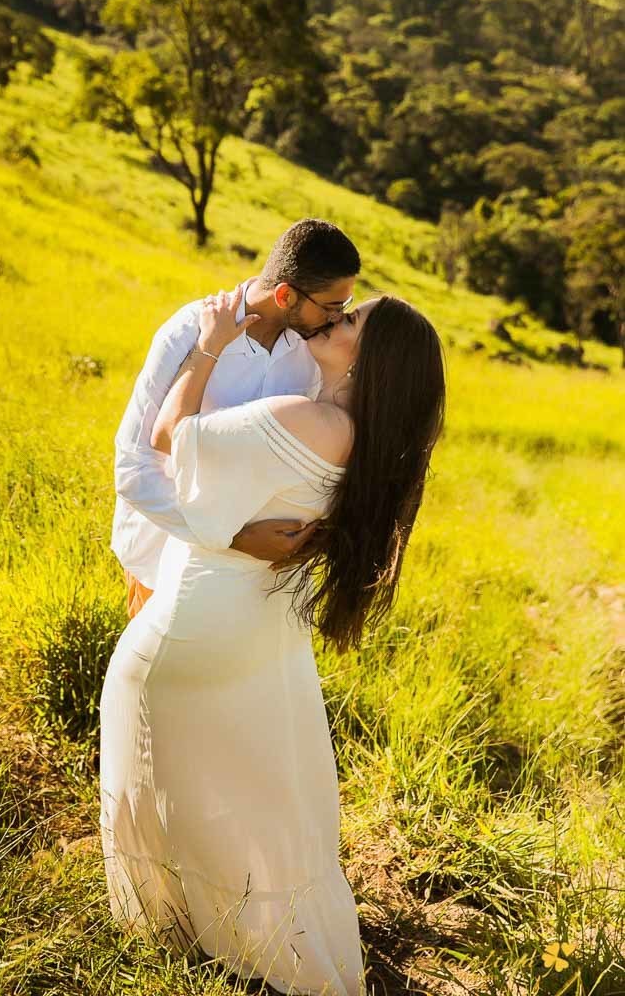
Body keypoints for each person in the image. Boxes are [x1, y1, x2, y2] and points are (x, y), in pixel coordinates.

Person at [99, 288, 446, 995]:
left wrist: (208, 343)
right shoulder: (369, 447)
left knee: (168, 781)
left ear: (369, 359)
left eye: (350, 321)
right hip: (260, 636)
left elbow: (170, 437)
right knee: (248, 792)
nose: (332, 321)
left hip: (197, 627)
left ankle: (179, 937)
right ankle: (247, 939)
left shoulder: (308, 420)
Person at [111, 219, 361, 619]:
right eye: (332, 307)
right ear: (285, 295)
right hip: (162, 560)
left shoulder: (310, 360)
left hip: (251, 580)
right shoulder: (189, 332)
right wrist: (234, 540)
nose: (336, 319)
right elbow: (134, 469)